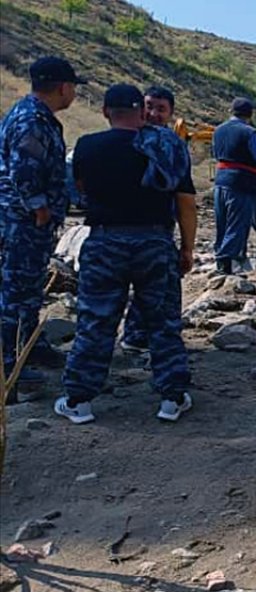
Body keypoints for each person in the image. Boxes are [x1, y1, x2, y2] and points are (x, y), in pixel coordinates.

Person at [55, 84, 196, 424]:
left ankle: (79, 401)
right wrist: (187, 247)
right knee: (162, 323)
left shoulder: (87, 147)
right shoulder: (167, 146)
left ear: (105, 111)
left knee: (96, 322)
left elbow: (80, 193)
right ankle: (171, 399)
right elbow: (186, 203)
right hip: (154, 241)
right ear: (141, 112)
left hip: (104, 241)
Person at [0, 56, 84, 392]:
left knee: (31, 287)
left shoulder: (36, 116)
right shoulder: (32, 119)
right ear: (63, 87)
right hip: (20, 221)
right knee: (15, 291)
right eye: (74, 88)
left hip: (26, 220)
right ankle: (9, 365)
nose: (73, 94)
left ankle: (30, 345)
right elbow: (23, 169)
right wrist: (39, 207)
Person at [120, 85, 181, 353]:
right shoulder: (126, 137)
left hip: (155, 226)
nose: (153, 113)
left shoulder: (171, 143)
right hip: (137, 229)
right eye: (149, 106)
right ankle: (152, 343)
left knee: (154, 288)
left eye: (161, 109)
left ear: (171, 114)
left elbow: (183, 194)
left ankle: (137, 336)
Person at [212, 97, 256, 275]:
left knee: (221, 224)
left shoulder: (218, 130)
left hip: (220, 181)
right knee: (237, 225)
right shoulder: (248, 132)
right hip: (241, 183)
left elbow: (215, 153)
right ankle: (225, 264)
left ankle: (221, 261)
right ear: (250, 114)